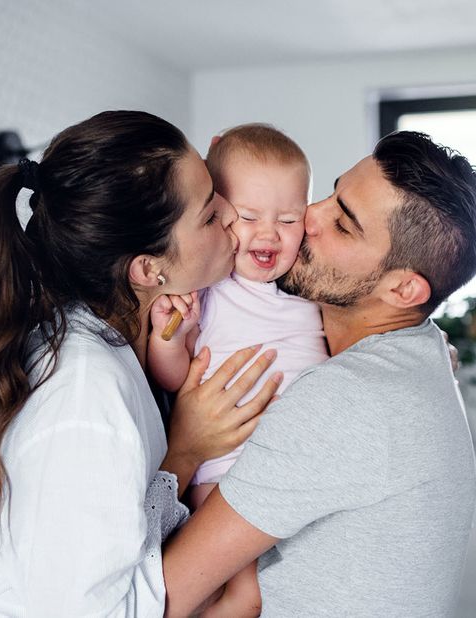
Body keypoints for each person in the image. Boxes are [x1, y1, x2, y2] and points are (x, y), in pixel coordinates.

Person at [0, 110, 283, 616]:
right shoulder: (84, 396)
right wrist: (185, 451)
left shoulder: (123, 340)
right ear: (147, 269)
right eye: (209, 213)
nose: (234, 213)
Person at [162, 130, 476, 617]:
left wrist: (184, 450)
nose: (308, 217)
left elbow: (158, 598)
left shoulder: (345, 400)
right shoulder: (418, 353)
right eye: (328, 194)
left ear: (404, 290)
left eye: (343, 225)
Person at [147, 124, 329, 617]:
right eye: (248, 217)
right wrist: (169, 336)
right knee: (242, 596)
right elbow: (173, 375)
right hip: (224, 462)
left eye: (289, 220)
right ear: (219, 213)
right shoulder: (209, 285)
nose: (268, 234)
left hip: (295, 463)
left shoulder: (309, 284)